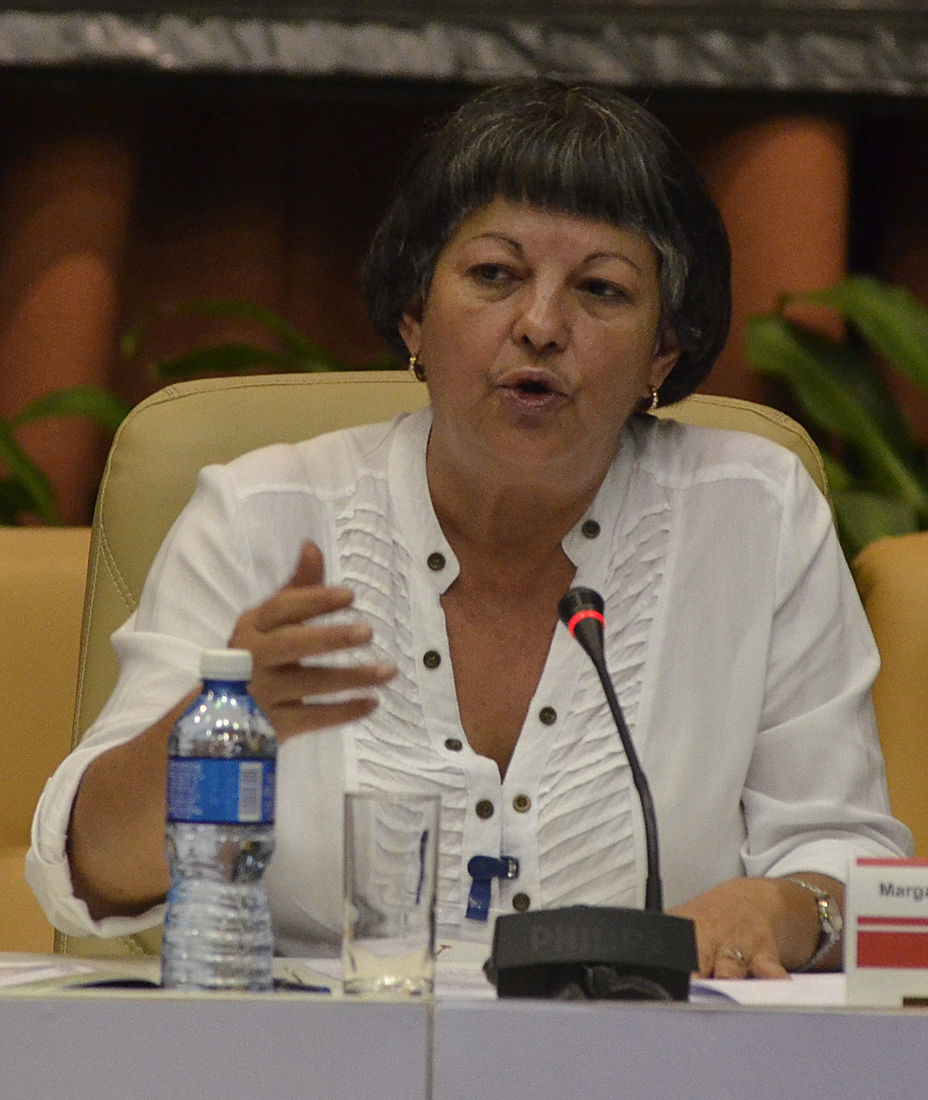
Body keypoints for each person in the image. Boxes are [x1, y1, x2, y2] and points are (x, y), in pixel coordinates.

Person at [28, 80, 910, 976]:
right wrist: (219, 731)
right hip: (319, 1044)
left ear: (663, 351)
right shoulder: (261, 520)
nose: (541, 325)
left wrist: (778, 908)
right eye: (495, 275)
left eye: (601, 289)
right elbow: (87, 875)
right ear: (415, 312)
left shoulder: (754, 515)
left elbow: (850, 860)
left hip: (646, 1043)